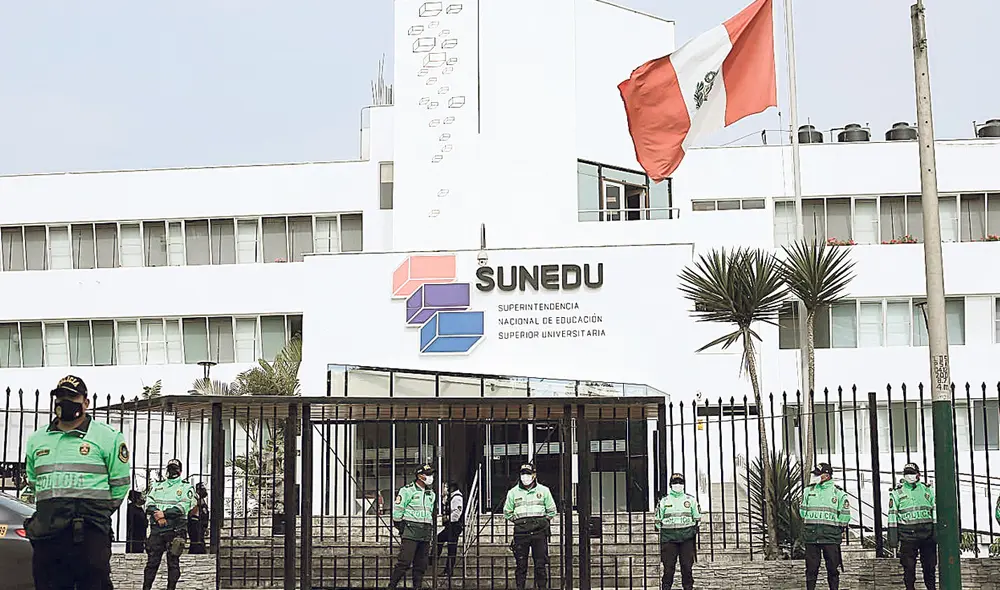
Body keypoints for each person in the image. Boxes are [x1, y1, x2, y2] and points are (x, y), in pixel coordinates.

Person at [23, 375, 131, 590]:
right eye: (60, 396)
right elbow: (34, 482)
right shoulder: (37, 439)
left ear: (86, 402)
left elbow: (120, 485)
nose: (65, 401)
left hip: (89, 534)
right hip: (49, 534)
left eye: (72, 396)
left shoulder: (108, 437)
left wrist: (95, 512)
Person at [143, 459, 196, 590]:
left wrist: (164, 515)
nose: (172, 471)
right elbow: (148, 503)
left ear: (180, 471)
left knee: (173, 563)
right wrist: (158, 516)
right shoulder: (157, 485)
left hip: (175, 530)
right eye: (170, 468)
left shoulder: (186, 487)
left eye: (175, 469)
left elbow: (183, 507)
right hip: (157, 529)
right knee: (152, 564)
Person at [503, 463, 557, 590]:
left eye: (528, 473)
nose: (525, 476)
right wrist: (521, 523)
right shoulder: (513, 493)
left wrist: (540, 522)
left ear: (534, 475)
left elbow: (552, 510)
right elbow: (507, 512)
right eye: (523, 474)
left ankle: (542, 587)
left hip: (539, 533)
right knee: (521, 565)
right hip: (521, 534)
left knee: (540, 565)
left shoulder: (544, 491)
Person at [800, 462, 851, 590]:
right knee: (811, 569)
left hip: (831, 536)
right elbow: (802, 512)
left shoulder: (838, 493)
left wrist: (839, 529)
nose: (816, 477)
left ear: (827, 475)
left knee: (833, 569)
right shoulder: (808, 491)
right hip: (812, 536)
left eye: (819, 474)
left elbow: (845, 515)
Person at [888, 462, 936, 590]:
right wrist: (893, 538)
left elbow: (934, 509)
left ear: (918, 475)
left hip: (927, 535)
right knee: (909, 569)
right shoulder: (897, 492)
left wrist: (935, 530)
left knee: (930, 568)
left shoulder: (927, 490)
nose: (910, 476)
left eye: (912, 473)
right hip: (908, 536)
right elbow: (892, 515)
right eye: (907, 473)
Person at [388, 463, 437, 590]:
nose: (431, 477)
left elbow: (430, 511)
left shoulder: (431, 493)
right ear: (420, 476)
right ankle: (391, 586)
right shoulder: (407, 490)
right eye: (428, 474)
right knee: (404, 562)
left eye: (431, 474)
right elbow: (398, 509)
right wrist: (400, 526)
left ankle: (417, 587)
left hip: (425, 531)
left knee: (421, 565)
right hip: (411, 530)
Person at [653, 473, 700, 590]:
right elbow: (657, 520)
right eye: (675, 483)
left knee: (687, 568)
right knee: (668, 569)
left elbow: (697, 519)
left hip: (687, 538)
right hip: (669, 539)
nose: (677, 485)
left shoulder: (691, 500)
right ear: (670, 485)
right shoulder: (664, 501)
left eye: (680, 482)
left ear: (683, 485)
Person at [436, 481, 465, 577]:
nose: (443, 489)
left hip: (454, 526)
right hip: (451, 526)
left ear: (450, 488)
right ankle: (434, 560)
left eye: (444, 487)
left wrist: (448, 518)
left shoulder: (457, 497)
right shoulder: (451, 497)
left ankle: (448, 569)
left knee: (451, 547)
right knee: (440, 539)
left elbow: (457, 512)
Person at [187, 483, 209, 555]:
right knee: (196, 542)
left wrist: (205, 527)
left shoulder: (202, 500)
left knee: (200, 541)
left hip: (201, 524)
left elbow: (205, 514)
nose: (204, 491)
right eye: (202, 489)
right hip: (194, 523)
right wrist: (198, 505)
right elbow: (191, 513)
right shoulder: (194, 499)